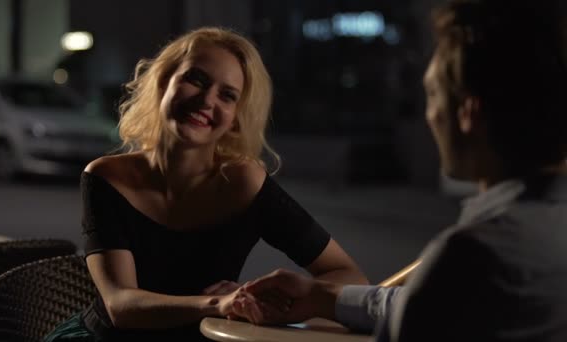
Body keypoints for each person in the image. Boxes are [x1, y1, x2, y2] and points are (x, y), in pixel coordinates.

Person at [235, 1, 567, 340]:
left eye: (434, 96)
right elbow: (437, 305)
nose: (431, 116)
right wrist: (324, 298)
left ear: (469, 113)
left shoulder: (471, 257)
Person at [43, 27, 367, 341]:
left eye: (227, 95)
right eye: (196, 80)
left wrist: (270, 301)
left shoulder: (243, 183)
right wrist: (218, 304)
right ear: (162, 81)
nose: (206, 101)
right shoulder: (105, 177)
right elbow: (120, 306)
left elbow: (348, 276)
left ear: (236, 117)